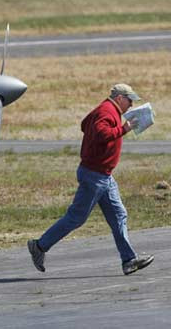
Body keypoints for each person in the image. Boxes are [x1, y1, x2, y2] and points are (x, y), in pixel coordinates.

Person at [28, 84, 154, 275]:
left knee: (119, 215)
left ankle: (129, 260)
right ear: (120, 98)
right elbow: (101, 133)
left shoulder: (106, 110)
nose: (131, 105)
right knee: (76, 218)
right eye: (129, 101)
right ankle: (39, 246)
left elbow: (85, 124)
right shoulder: (107, 111)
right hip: (94, 176)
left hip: (104, 175)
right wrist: (124, 129)